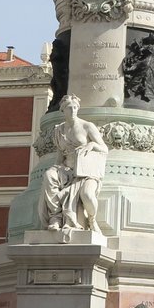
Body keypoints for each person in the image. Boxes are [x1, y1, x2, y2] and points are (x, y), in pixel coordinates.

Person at [39, 93, 107, 233]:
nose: (73, 111)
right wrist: (54, 170)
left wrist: (92, 145)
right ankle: (56, 217)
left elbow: (104, 149)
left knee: (87, 195)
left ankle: (92, 219)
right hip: (67, 169)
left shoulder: (87, 126)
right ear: (63, 109)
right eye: (69, 107)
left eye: (75, 107)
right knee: (49, 175)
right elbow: (60, 156)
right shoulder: (59, 130)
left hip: (86, 172)